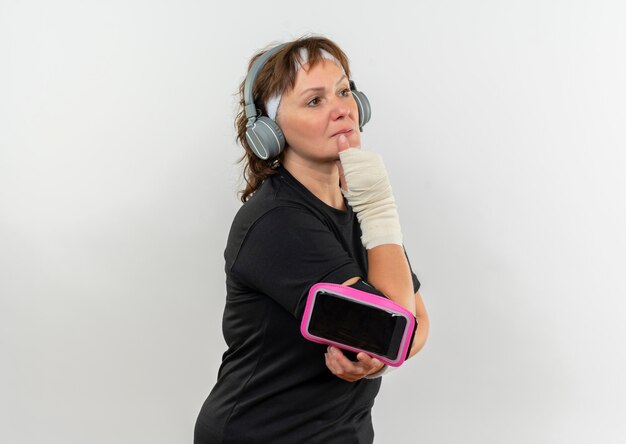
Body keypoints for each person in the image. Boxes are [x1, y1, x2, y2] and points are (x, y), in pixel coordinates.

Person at [194, 35, 429, 444]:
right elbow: (390, 329)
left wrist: (378, 358)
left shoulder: (360, 208)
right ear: (269, 130)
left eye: (344, 91)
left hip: (341, 433)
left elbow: (415, 322)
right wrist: (385, 345)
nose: (342, 109)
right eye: (314, 101)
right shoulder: (275, 222)